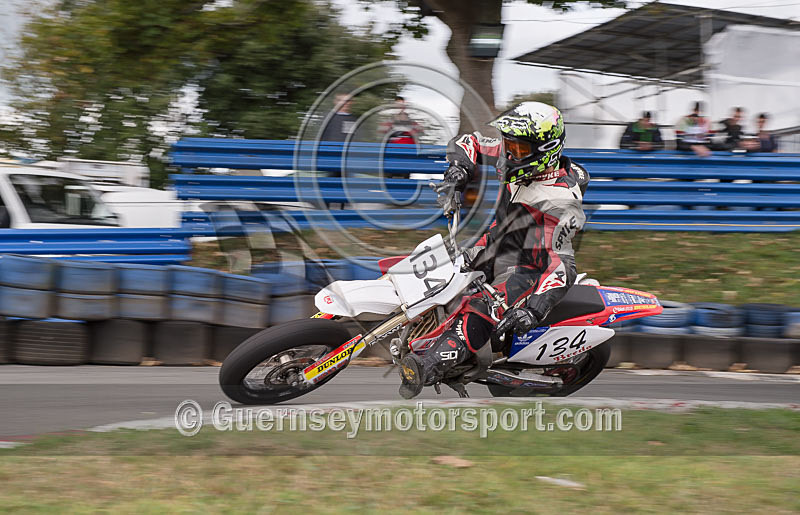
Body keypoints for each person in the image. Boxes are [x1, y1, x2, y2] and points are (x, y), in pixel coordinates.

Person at [398, 102, 589, 399]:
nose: (509, 154)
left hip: (527, 266)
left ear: (545, 149)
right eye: (508, 144)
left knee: (483, 305)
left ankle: (429, 365)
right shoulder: (516, 153)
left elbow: (563, 266)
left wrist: (533, 310)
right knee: (431, 265)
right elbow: (469, 141)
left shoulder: (561, 202)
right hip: (496, 243)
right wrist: (458, 172)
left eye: (519, 149)